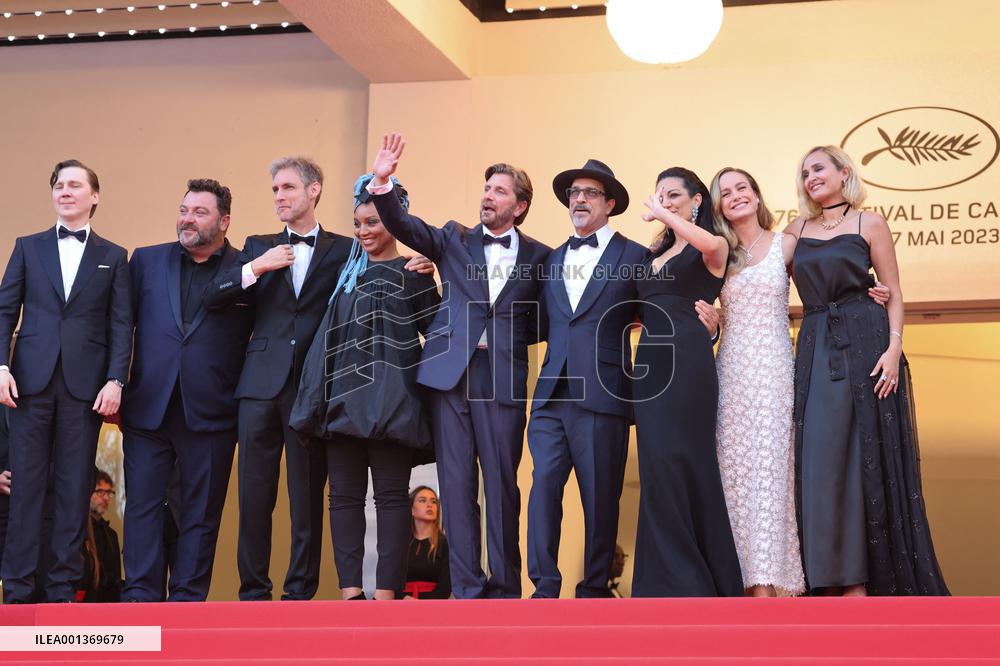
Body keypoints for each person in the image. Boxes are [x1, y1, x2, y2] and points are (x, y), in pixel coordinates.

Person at [205, 157, 430, 602]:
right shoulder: (258, 245)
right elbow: (215, 297)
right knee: (254, 496)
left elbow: (424, 313)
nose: (279, 196)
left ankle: (300, 593)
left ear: (313, 191)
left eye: (287, 187)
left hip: (325, 394)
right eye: (274, 189)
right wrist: (258, 267)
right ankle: (254, 591)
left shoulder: (347, 251)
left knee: (309, 498)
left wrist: (426, 262)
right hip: (263, 387)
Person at [367, 133, 551, 599]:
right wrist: (383, 182)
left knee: (503, 485)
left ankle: (506, 586)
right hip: (450, 377)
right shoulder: (452, 237)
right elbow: (405, 226)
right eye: (487, 188)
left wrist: (506, 340)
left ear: (521, 205)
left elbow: (548, 320)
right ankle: (468, 588)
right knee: (456, 483)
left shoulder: (541, 257)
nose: (489, 196)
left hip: (502, 377)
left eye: (500, 190)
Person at [789, 145, 948, 596]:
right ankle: (824, 579)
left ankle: (863, 582)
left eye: (819, 168)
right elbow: (759, 272)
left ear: (844, 173)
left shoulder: (869, 221)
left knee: (864, 457)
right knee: (818, 460)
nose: (811, 178)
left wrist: (895, 348)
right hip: (817, 343)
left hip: (867, 342)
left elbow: (894, 291)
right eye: (804, 173)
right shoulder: (795, 229)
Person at [289, 173, 440, 601]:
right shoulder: (344, 276)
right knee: (344, 498)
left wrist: (434, 269)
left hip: (394, 403)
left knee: (392, 498)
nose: (363, 231)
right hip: (341, 402)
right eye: (358, 223)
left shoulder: (413, 272)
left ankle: (387, 593)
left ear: (395, 220)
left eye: (372, 222)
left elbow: (437, 332)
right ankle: (351, 593)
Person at [0, 159, 131, 604]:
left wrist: (116, 379)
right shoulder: (27, 246)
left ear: (94, 196)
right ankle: (17, 591)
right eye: (59, 185)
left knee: (74, 489)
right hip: (28, 385)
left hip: (84, 388)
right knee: (27, 488)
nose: (65, 191)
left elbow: (121, 324)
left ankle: (59, 592)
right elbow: (5, 312)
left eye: (75, 185)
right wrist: (1, 367)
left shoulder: (114, 256)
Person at [121, 178, 253, 602]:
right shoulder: (145, 261)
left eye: (199, 212)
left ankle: (186, 600)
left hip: (213, 411)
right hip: (147, 406)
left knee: (200, 515)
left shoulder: (249, 269)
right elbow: (121, 327)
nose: (187, 218)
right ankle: (140, 594)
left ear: (224, 221)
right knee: (141, 506)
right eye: (184, 209)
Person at [526, 159, 647, 599]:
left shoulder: (635, 256)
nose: (579, 199)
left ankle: (594, 588)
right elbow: (534, 321)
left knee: (599, 499)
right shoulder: (552, 258)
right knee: (543, 488)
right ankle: (543, 585)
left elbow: (658, 314)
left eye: (590, 193)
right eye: (574, 193)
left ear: (609, 203)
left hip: (604, 393)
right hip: (550, 396)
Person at [630, 167, 744, 597]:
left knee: (688, 461)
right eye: (660, 195)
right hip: (650, 366)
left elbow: (712, 244)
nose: (665, 201)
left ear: (697, 200)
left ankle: (698, 579)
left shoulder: (710, 248)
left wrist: (667, 214)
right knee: (656, 466)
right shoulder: (651, 253)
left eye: (674, 194)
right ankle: (663, 581)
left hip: (688, 362)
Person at [76, 469, 121, 603]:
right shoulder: (78, 531)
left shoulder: (111, 535)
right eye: (100, 492)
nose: (106, 498)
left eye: (109, 493)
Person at [402, 485, 451, 599]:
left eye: (433, 502)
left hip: (432, 608)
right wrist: (403, 598)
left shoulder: (444, 544)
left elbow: (445, 589)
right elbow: (391, 581)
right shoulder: (401, 544)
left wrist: (420, 603)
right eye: (422, 500)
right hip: (402, 605)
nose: (429, 505)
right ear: (412, 509)